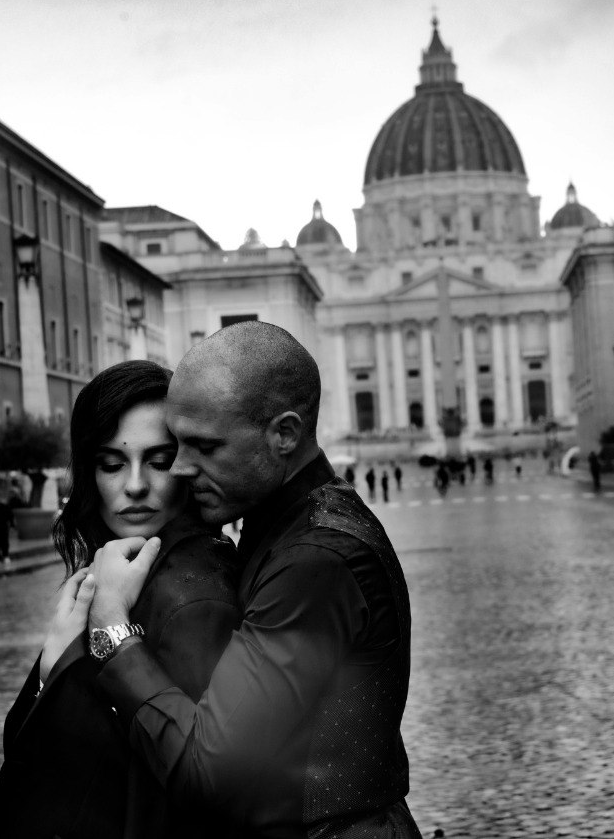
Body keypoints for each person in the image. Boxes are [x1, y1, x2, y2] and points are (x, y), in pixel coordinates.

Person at [89, 321, 419, 838]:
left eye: (204, 447)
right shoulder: (288, 522)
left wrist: (110, 631)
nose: (178, 468)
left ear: (284, 434)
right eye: (176, 444)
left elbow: (210, 772)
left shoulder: (315, 559)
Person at [0, 360, 244, 839]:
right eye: (112, 464)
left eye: (158, 460)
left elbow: (201, 789)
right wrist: (53, 664)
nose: (133, 486)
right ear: (89, 473)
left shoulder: (194, 598)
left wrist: (69, 660)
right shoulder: (110, 577)